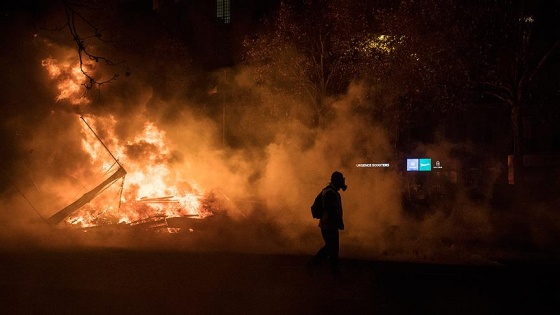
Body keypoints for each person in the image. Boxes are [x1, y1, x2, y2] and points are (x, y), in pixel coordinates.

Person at [307, 171, 347, 276]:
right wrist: (338, 222)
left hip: (327, 224)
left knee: (330, 248)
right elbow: (331, 210)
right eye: (341, 179)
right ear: (336, 180)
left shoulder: (329, 191)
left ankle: (313, 265)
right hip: (329, 225)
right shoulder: (330, 192)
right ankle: (333, 271)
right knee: (332, 248)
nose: (343, 181)